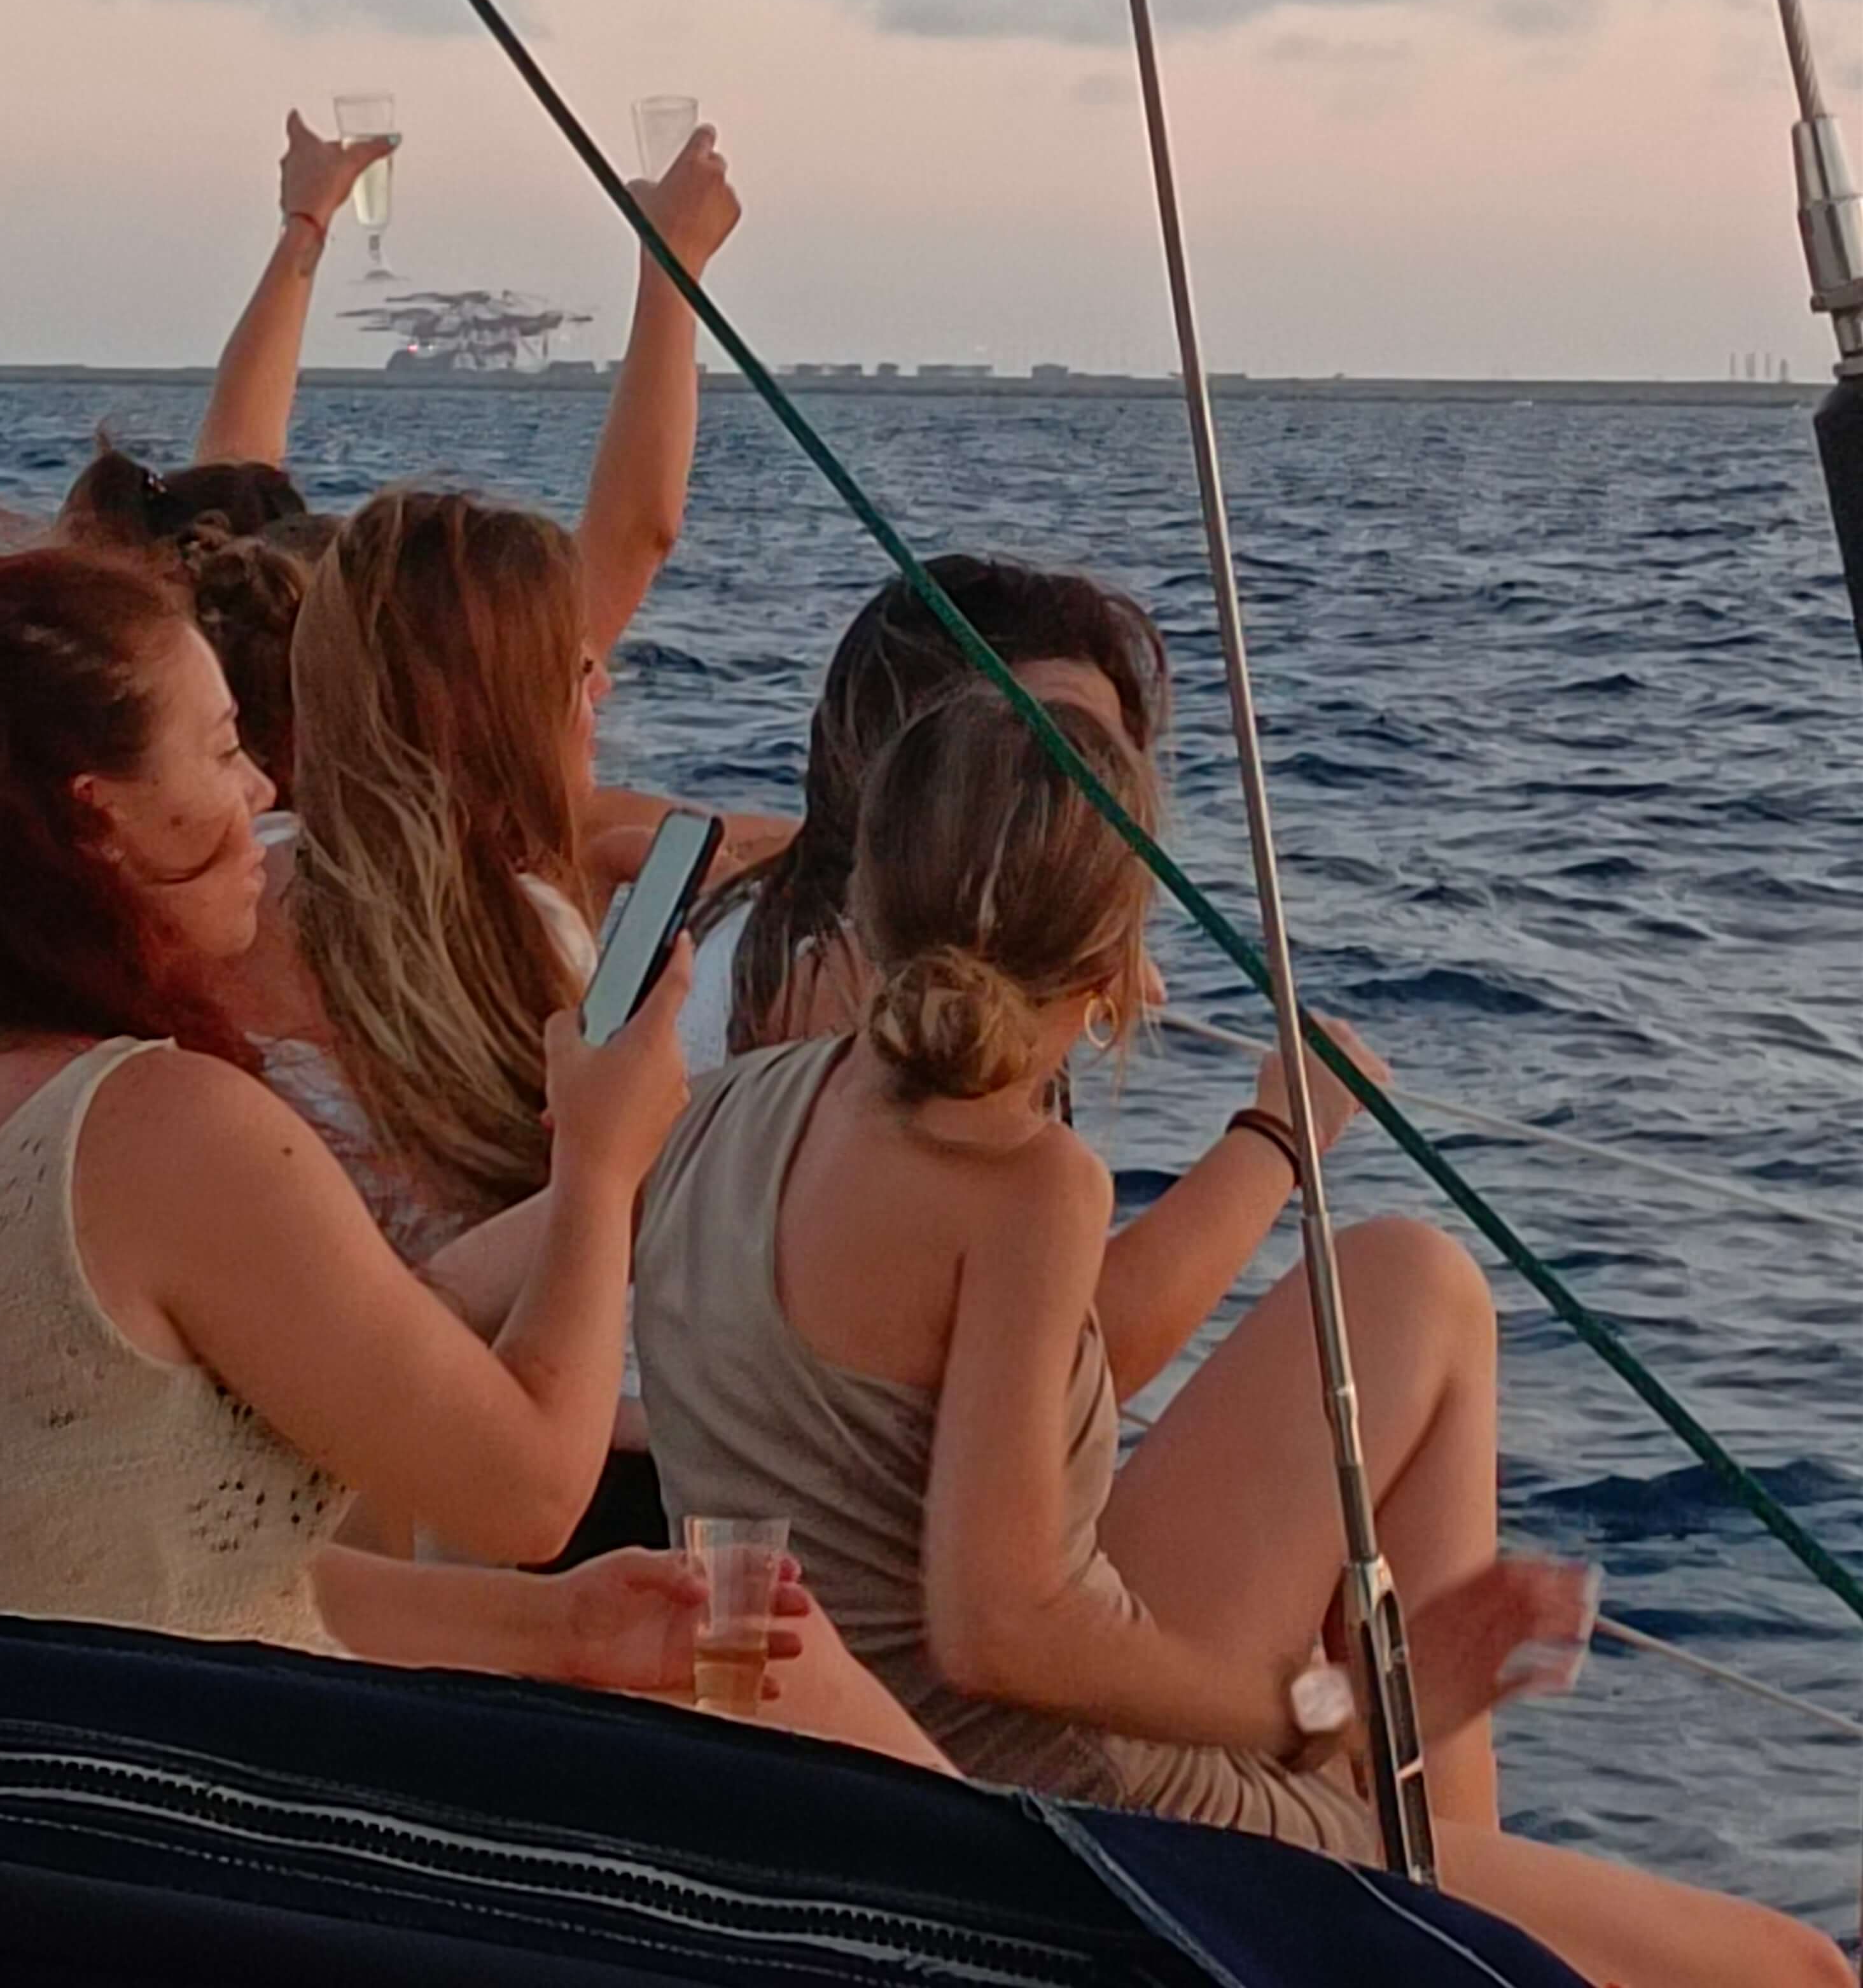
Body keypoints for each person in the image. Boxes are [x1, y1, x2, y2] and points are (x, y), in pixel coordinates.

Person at [634, 686, 1839, 1987]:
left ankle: (1437, 1867)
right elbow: (997, 1629)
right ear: (1110, 975)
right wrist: (1319, 1710)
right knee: (1798, 1969)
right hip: (1053, 1824)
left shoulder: (732, 1106)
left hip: (844, 1777)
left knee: (1408, 1284)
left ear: (862, 898)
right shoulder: (1030, 1187)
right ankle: (1422, 1873)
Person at [0, 517, 936, 1759]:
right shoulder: (160, 1129)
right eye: (221, 752)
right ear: (100, 819)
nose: (265, 790)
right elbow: (532, 1488)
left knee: (743, 1660)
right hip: (183, 1823)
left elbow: (172, 1571)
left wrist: (559, 1632)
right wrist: (599, 1161)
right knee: (787, 1678)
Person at [63, 110, 743, 753]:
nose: (593, 684)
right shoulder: (442, 764)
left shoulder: (209, 706)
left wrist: (306, 220)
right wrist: (672, 265)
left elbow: (237, 474)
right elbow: (636, 530)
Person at [688, 555, 1168, 1066]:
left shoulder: (792, 925)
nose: (1102, 809)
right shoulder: (838, 1002)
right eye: (1052, 762)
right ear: (917, 767)